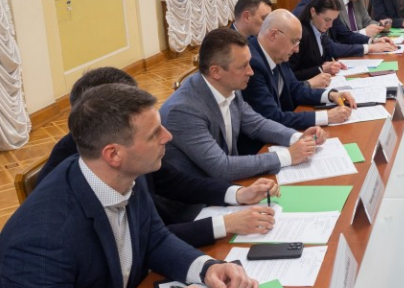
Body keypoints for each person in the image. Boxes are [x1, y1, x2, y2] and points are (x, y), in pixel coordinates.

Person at [0, 84, 259, 288]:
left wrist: (207, 268)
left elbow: (154, 238)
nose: (168, 137)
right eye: (154, 133)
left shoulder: (125, 174)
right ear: (113, 154)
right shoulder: (41, 240)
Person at [38, 67, 279, 247]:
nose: (167, 136)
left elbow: (172, 181)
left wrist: (237, 193)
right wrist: (226, 224)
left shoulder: (127, 148)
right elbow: (142, 240)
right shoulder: (67, 193)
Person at [161, 28, 325, 181]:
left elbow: (257, 124)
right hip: (198, 197)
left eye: (249, 63)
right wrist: (288, 156)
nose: (251, 72)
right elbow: (221, 167)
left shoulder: (228, 86)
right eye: (243, 66)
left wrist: (297, 137)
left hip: (227, 183)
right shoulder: (183, 111)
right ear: (215, 71)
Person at [239, 9, 357, 154]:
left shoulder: (278, 53)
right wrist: (327, 116)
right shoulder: (252, 65)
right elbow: (273, 118)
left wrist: (331, 95)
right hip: (261, 147)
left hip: (284, 135)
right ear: (273, 35)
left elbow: (296, 89)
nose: (297, 49)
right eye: (294, 41)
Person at [289, 0, 394, 81]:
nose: (330, 25)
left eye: (333, 20)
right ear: (313, 12)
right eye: (327, 20)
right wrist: (321, 69)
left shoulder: (319, 30)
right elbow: (290, 76)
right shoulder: (301, 35)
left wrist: (330, 66)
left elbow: (332, 48)